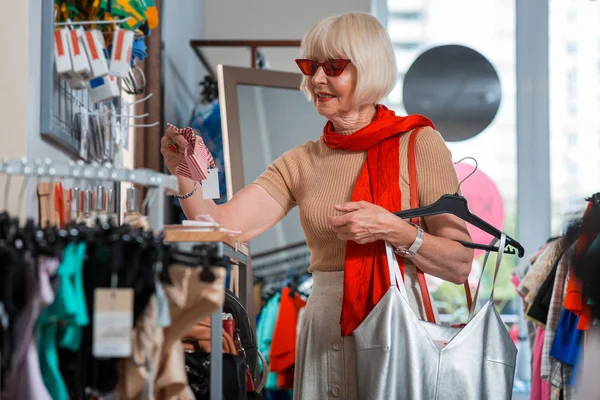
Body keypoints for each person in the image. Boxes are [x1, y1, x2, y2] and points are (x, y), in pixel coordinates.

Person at [161, 12, 474, 400]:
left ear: (370, 69)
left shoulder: (418, 143)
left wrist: (395, 230)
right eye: (311, 66)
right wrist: (184, 175)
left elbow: (460, 264)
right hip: (324, 324)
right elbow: (224, 225)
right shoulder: (301, 161)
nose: (317, 79)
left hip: (398, 322)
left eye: (334, 67)